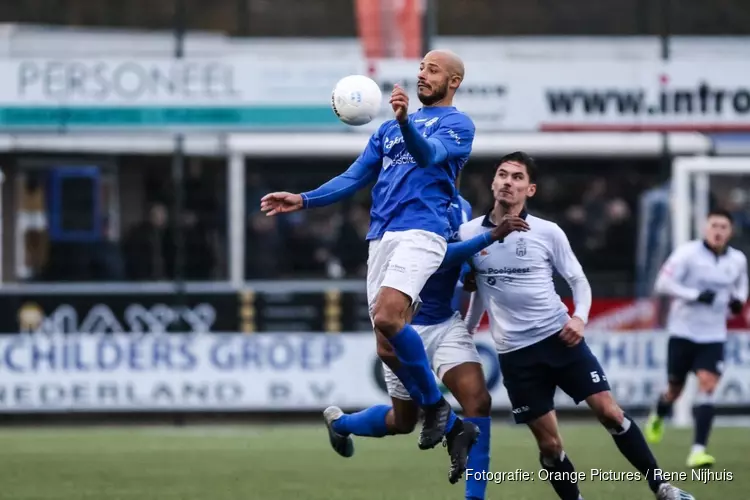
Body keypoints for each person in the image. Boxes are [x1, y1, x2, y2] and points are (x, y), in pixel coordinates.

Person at [261, 50, 479, 478]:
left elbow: (430, 156)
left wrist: (403, 123)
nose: (422, 75)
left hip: (423, 231)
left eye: (432, 70)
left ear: (453, 81)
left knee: (388, 317)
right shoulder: (386, 131)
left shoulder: (458, 125)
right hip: (381, 239)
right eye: (420, 68)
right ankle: (432, 425)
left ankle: (438, 410)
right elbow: (354, 177)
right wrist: (303, 199)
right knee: (386, 344)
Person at [448, 151, 694, 500]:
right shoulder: (469, 233)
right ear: (492, 183)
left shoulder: (548, 232)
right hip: (516, 356)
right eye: (502, 174)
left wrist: (579, 318)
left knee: (610, 413)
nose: (508, 182)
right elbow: (479, 290)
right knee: (549, 446)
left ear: (530, 189)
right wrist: (467, 334)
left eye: (517, 177)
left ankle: (662, 487)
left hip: (559, 338)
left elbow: (578, 281)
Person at [322, 194, 528, 493]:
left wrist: (470, 269)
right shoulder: (404, 203)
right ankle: (341, 425)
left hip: (445, 322)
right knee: (403, 422)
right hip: (404, 327)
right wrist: (489, 237)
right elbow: (434, 256)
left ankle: (475, 497)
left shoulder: (462, 206)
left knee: (478, 402)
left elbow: (460, 257)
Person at [645, 208, 748, 468]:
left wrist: (738, 302)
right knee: (674, 389)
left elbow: (741, 286)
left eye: (723, 227)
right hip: (683, 332)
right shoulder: (687, 254)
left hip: (713, 335)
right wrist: (694, 295)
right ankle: (659, 413)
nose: (718, 231)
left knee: (708, 384)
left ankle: (698, 451)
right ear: (705, 228)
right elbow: (662, 284)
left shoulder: (737, 260)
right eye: (714, 225)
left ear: (730, 231)